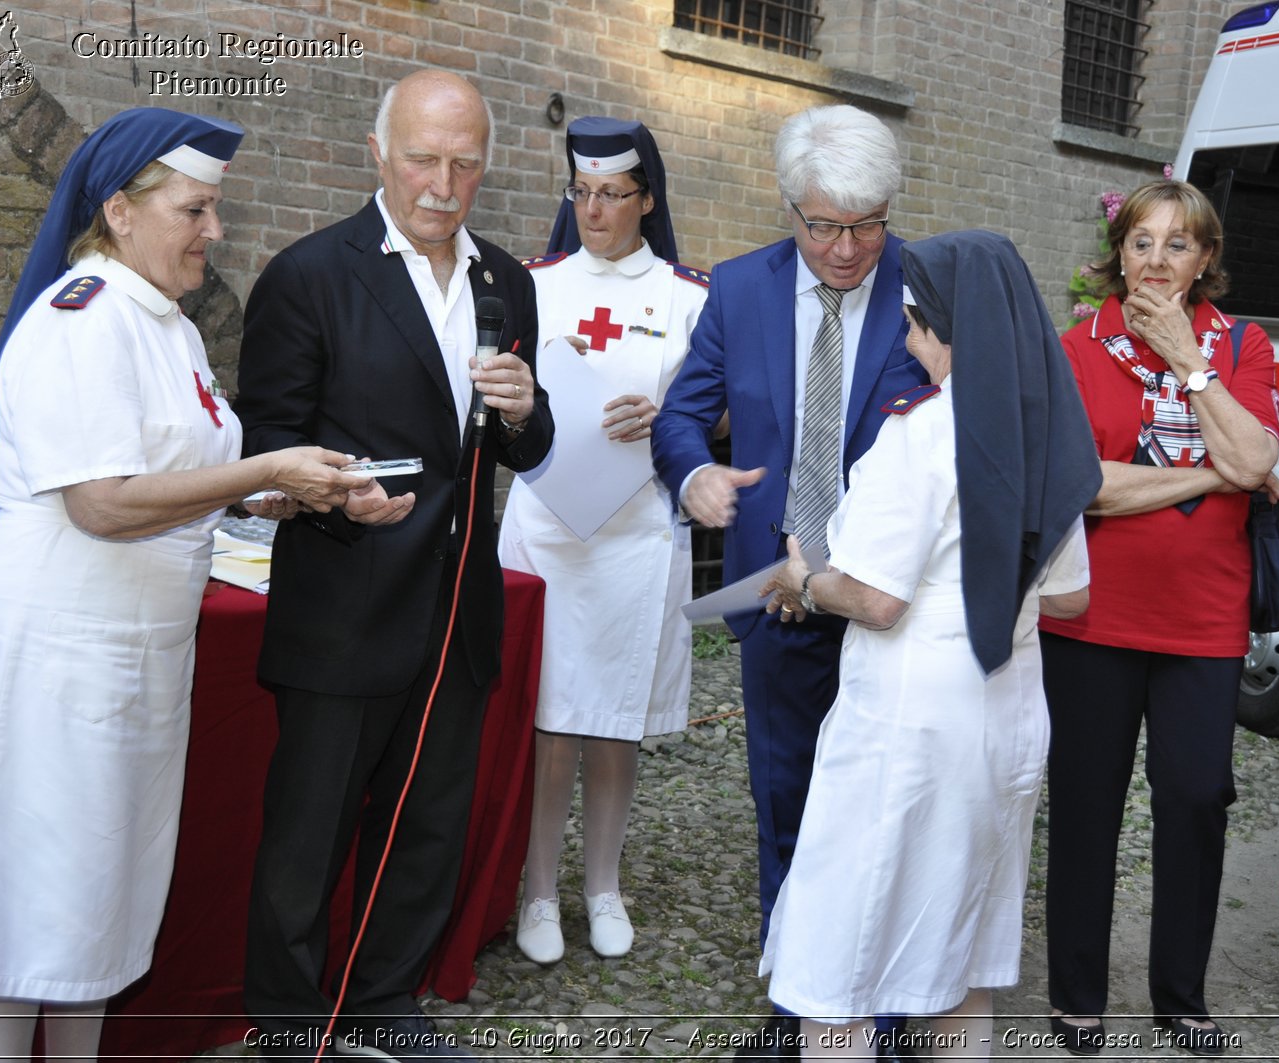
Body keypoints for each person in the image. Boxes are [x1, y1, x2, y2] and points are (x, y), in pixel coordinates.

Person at [0, 107, 361, 1063]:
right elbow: (100, 501)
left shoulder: (164, 324)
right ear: (120, 213)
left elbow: (177, 476)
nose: (214, 231)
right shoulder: (80, 323)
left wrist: (289, 496)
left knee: (98, 896)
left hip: (132, 658)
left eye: (213, 210)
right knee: (30, 896)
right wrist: (266, 471)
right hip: (58, 661)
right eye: (196, 209)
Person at [234, 71, 554, 1057]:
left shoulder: (507, 281)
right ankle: (287, 1025)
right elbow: (266, 454)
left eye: (464, 162)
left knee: (426, 829)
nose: (441, 183)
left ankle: (383, 1003)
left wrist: (523, 411)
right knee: (308, 836)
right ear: (378, 152)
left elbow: (525, 450)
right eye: (422, 158)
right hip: (342, 605)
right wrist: (334, 497)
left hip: (456, 612)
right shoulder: (310, 274)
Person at [756, 229, 1100, 1061]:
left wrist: (804, 579)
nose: (908, 340)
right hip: (1007, 708)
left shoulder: (918, 432)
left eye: (914, 323)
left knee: (841, 957)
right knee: (961, 952)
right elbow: (1071, 594)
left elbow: (874, 597)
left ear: (945, 326)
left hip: (910, 722)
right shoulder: (1045, 430)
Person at [650, 103, 929, 1060]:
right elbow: (682, 416)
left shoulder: (926, 291)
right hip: (774, 589)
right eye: (823, 226)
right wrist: (696, 475)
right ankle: (797, 997)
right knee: (788, 798)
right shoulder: (739, 289)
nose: (846, 248)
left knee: (884, 806)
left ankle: (885, 1009)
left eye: (866, 225)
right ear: (789, 209)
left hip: (888, 598)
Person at [1039, 179, 1279, 1057]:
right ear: (1118, 252)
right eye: (1142, 241)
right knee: (1085, 806)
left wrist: (1190, 361)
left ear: (1206, 259)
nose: (1157, 260)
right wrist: (1218, 476)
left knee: (1194, 801)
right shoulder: (1074, 346)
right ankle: (1077, 996)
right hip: (1091, 615)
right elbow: (1084, 484)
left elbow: (1257, 452)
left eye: (1179, 244)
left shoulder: (1241, 343)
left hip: (1204, 623)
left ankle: (1181, 994)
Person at [499, 116, 708, 964]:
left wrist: (668, 417)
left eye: (612, 194)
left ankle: (603, 885)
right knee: (551, 718)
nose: (593, 209)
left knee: (614, 718)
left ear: (646, 199)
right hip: (550, 526)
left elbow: (715, 406)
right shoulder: (530, 283)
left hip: (636, 528)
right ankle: (539, 891)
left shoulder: (690, 294)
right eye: (580, 193)